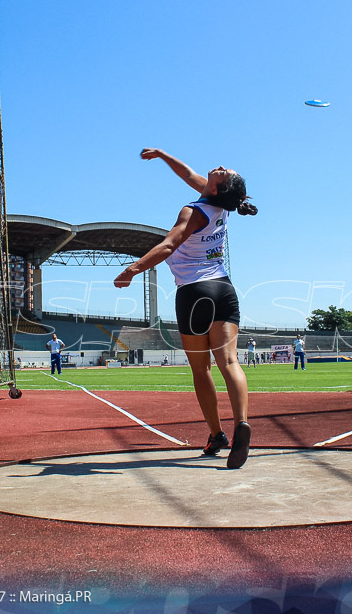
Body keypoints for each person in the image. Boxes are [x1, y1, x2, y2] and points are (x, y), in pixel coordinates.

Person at [115, 148, 258, 469]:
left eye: (225, 172)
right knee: (230, 361)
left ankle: (216, 433)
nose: (221, 166)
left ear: (217, 187)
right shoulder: (221, 204)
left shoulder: (193, 211)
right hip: (223, 288)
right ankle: (242, 424)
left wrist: (132, 270)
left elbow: (169, 245)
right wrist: (164, 155)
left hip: (194, 293)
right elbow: (189, 176)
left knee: (201, 369)